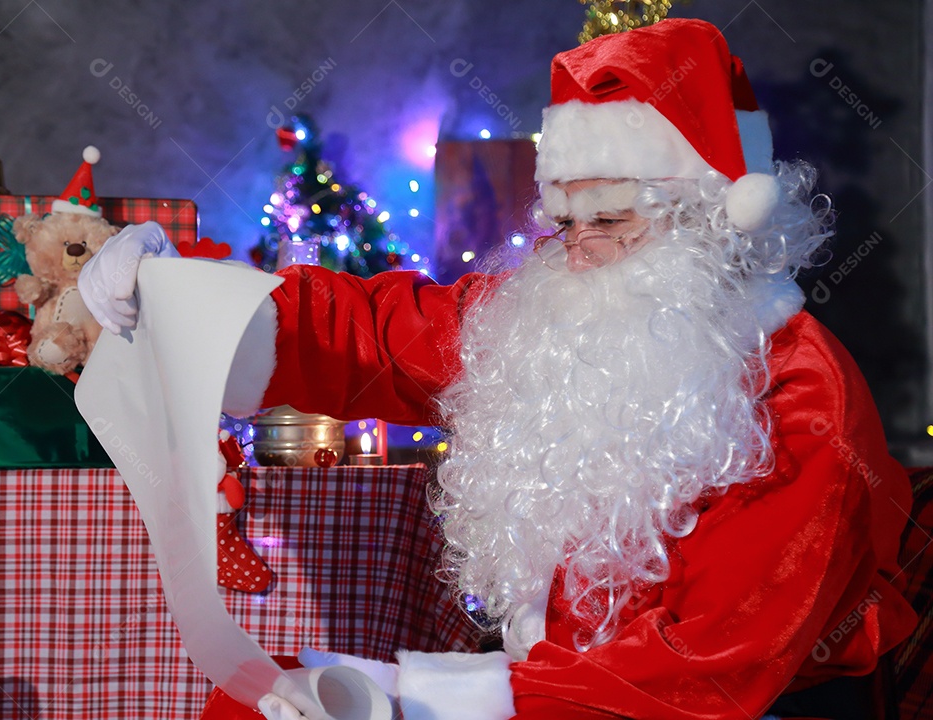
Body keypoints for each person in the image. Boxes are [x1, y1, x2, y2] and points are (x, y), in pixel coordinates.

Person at [79, 18, 917, 720]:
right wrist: (178, 288)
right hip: (544, 687)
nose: (580, 252)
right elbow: (371, 333)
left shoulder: (795, 390)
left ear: (711, 222)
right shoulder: (555, 318)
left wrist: (424, 697)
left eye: (612, 222)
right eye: (566, 223)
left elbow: (708, 669)